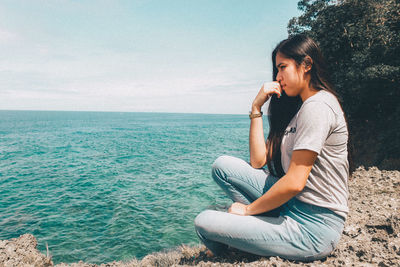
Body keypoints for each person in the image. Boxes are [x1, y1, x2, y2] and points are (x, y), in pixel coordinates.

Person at [194, 34, 350, 262]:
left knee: (204, 222)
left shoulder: (318, 106)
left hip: (314, 227)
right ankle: (256, 229)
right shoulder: (300, 109)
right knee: (222, 166)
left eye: (282, 67)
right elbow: (258, 161)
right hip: (292, 205)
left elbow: (295, 182)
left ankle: (228, 253)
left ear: (306, 65)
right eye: (277, 70)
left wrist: (248, 211)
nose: (278, 77)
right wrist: (256, 107)